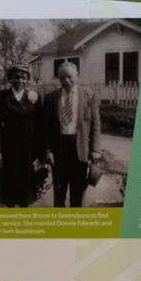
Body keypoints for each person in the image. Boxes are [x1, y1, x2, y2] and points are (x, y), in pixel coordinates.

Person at [43, 61, 100, 208]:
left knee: (78, 192)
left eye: (69, 77)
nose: (66, 81)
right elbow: (46, 128)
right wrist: (48, 150)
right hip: (59, 149)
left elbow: (95, 125)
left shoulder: (89, 95)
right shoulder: (51, 98)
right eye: (62, 77)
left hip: (80, 149)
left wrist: (95, 150)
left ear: (77, 75)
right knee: (59, 192)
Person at [0, 65, 45, 207]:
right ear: (10, 78)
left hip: (29, 150)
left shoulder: (34, 97)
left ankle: (23, 214)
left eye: (23, 77)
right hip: (9, 148)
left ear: (27, 80)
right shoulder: (1, 96)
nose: (20, 81)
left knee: (26, 189)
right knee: (9, 187)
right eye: (17, 77)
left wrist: (40, 154)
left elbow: (40, 127)